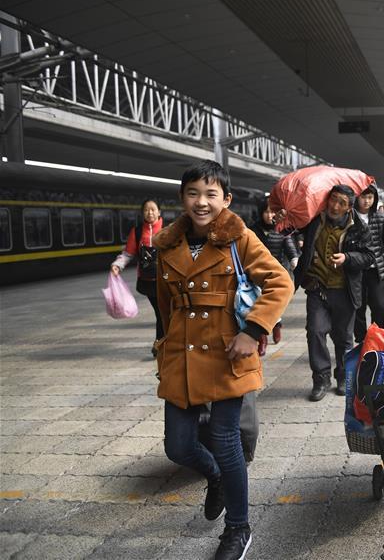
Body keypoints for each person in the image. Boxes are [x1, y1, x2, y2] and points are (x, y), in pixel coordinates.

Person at [153, 160, 293, 560]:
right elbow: (165, 307)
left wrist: (253, 330)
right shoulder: (168, 246)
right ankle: (214, 476)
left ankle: (238, 528)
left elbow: (280, 282)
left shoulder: (239, 238)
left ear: (226, 199)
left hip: (227, 354)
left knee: (225, 438)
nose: (202, 202)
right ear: (182, 198)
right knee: (178, 446)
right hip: (181, 357)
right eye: (193, 193)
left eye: (211, 194)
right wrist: (162, 349)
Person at [294, 184, 374, 401]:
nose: (335, 206)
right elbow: (290, 227)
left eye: (341, 203)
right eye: (333, 199)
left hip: (344, 291)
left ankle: (343, 377)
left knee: (344, 338)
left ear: (349, 208)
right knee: (315, 332)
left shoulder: (359, 228)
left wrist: (347, 258)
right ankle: (321, 379)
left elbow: (369, 257)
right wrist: (284, 217)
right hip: (317, 288)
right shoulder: (314, 220)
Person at [111, 198, 164, 356]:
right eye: (146, 210)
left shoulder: (167, 230)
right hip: (147, 280)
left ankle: (160, 342)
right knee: (161, 311)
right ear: (142, 213)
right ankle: (162, 342)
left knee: (162, 311)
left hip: (166, 279)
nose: (150, 212)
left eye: (153, 209)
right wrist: (118, 265)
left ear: (159, 212)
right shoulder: (138, 232)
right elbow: (128, 253)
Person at [353, 184, 384, 343]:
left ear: (375, 199)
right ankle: (361, 341)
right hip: (356, 271)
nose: (366, 201)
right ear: (357, 197)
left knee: (379, 307)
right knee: (358, 308)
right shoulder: (350, 217)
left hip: (376, 270)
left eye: (370, 197)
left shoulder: (381, 218)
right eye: (363, 197)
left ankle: (377, 339)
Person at [250, 199, 299, 353]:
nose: (269, 215)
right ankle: (262, 338)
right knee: (258, 304)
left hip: (276, 273)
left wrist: (294, 259)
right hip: (257, 273)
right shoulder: (252, 230)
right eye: (266, 212)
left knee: (273, 302)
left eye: (272, 212)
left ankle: (276, 324)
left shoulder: (281, 228)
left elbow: (289, 245)